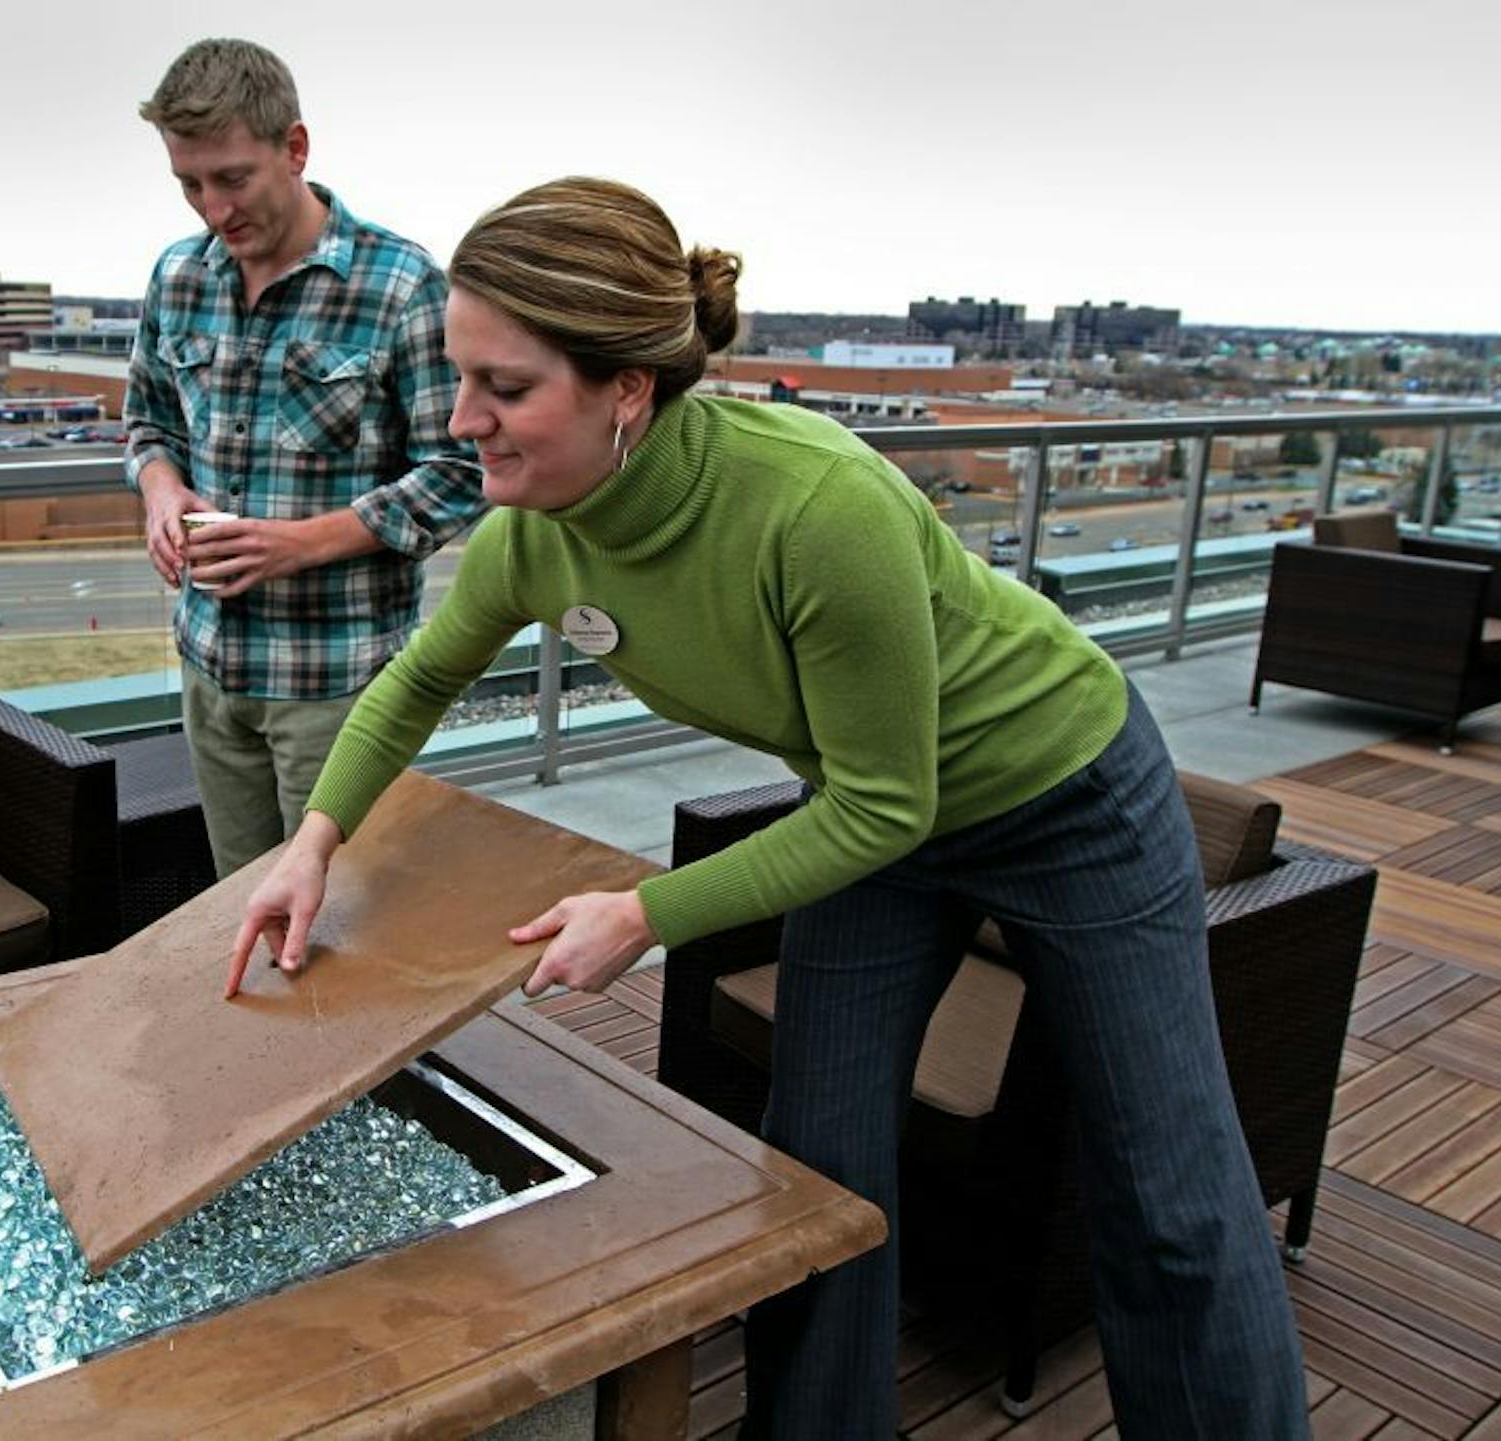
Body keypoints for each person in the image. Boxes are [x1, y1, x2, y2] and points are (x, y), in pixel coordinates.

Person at [227, 176, 1311, 1438]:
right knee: (817, 1171)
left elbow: (888, 803)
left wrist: (648, 912)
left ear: (628, 387)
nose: (464, 422)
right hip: (867, 822)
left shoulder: (814, 506)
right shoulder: (535, 529)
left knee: (1167, 1192)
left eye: (506, 389)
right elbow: (417, 680)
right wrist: (313, 841)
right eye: (459, 378)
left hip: (1065, 800)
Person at [124, 38, 485, 876]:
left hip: (339, 682)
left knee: (344, 920)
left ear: (295, 147)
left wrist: (302, 542)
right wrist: (160, 490)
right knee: (236, 906)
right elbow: (148, 423)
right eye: (189, 183)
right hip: (208, 665)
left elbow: (463, 472)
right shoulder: (177, 277)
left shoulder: (401, 286)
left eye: (232, 177)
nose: (213, 208)